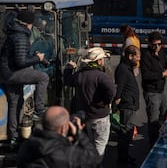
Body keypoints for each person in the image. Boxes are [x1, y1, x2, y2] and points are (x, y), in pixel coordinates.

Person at [0, 10, 49, 145]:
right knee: (43, 77)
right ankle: (39, 110)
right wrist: (37, 58)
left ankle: (13, 136)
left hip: (6, 73)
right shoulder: (21, 36)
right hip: (12, 73)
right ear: (29, 24)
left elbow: (18, 56)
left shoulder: (12, 33)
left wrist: (33, 56)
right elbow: (21, 62)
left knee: (15, 103)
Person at [63, 47, 116, 161]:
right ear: (98, 61)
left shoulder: (80, 75)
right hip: (100, 117)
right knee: (100, 147)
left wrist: (68, 68)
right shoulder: (101, 76)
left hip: (87, 117)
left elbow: (67, 81)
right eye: (102, 59)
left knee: (90, 144)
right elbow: (112, 90)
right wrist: (105, 102)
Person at [18, 106, 101, 168]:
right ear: (63, 128)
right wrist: (79, 134)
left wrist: (64, 140)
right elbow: (94, 159)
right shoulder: (68, 154)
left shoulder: (27, 146)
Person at [140, 31, 167, 146]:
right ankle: (153, 143)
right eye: (154, 45)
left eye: (159, 44)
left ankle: (162, 134)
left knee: (166, 112)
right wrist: (162, 75)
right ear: (149, 44)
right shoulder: (146, 56)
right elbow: (146, 75)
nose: (157, 47)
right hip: (151, 91)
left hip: (161, 90)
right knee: (153, 119)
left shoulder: (161, 52)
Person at [113, 45, 141, 165]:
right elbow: (120, 88)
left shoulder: (128, 67)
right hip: (127, 106)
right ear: (130, 56)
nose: (139, 60)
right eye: (137, 57)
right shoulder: (123, 69)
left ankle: (125, 156)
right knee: (125, 134)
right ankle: (122, 160)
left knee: (128, 133)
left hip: (131, 105)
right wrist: (117, 101)